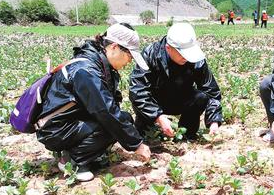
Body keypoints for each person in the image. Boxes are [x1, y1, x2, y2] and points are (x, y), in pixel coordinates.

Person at [36, 23, 151, 182]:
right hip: (55, 129)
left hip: (67, 123)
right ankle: (72, 161)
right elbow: (106, 112)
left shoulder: (99, 64)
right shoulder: (86, 70)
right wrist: (137, 144)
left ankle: (80, 152)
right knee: (111, 124)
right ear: (114, 47)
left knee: (124, 119)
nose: (130, 61)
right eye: (130, 55)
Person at [129, 23, 222, 140]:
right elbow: (138, 90)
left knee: (201, 97)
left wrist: (214, 121)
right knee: (145, 137)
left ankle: (187, 134)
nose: (187, 58)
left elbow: (211, 91)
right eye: (182, 53)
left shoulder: (196, 60)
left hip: (181, 99)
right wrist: (158, 116)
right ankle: (147, 127)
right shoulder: (151, 54)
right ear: (169, 48)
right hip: (155, 100)